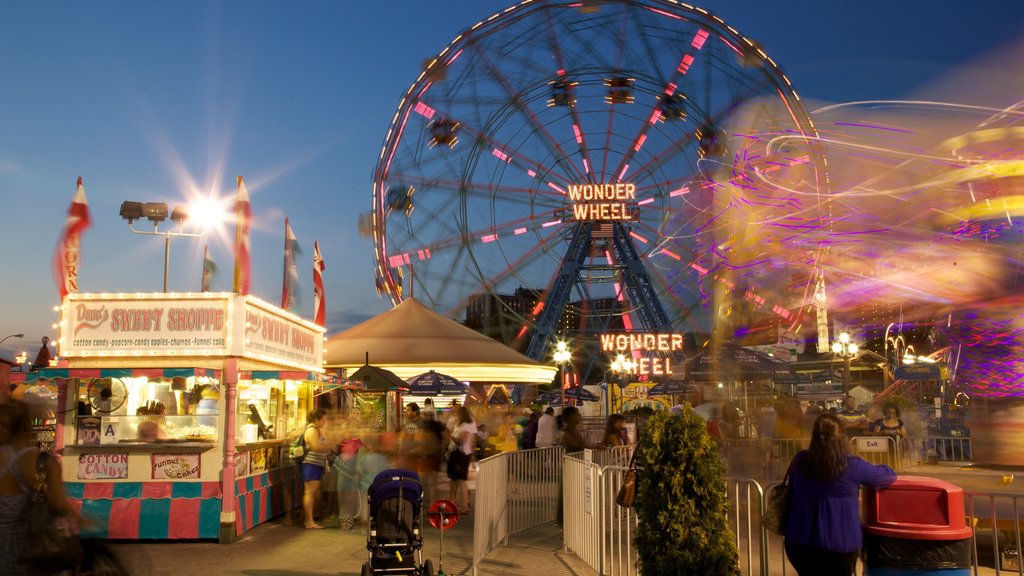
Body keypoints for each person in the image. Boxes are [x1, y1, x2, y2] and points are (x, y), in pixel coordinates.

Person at [784, 413, 897, 576]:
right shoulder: (852, 466)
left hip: (799, 541)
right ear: (842, 439)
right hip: (839, 545)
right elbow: (888, 474)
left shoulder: (800, 460)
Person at [0, 401, 78, 576]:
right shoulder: (40, 461)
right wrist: (82, 520)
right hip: (26, 545)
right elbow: (58, 503)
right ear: (28, 425)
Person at [300, 408, 330, 529]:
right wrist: (329, 444)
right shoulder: (312, 430)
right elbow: (316, 446)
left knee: (313, 493)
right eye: (323, 419)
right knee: (310, 493)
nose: (325, 421)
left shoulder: (318, 429)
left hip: (317, 465)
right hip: (311, 465)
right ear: (317, 419)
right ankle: (309, 521)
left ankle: (310, 518)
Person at [446, 406, 477, 513]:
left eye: (457, 413)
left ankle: (465, 506)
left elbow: (461, 442)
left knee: (461, 480)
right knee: (458, 480)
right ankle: (459, 504)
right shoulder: (463, 425)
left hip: (460, 454)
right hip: (460, 454)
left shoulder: (465, 426)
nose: (456, 415)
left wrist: (449, 436)